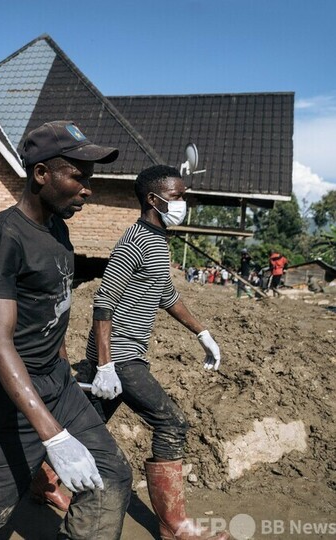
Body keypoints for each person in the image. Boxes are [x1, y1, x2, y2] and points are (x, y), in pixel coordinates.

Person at [0, 121, 132, 539]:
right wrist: (54, 437)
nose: (88, 189)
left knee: (110, 475)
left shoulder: (59, 229)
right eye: (78, 176)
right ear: (42, 173)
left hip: (55, 380)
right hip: (4, 389)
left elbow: (51, 311)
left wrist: (70, 377)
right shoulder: (5, 234)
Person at [86, 165, 228, 540]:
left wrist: (203, 333)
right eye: (178, 196)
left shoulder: (157, 239)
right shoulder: (135, 241)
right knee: (172, 423)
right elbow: (104, 301)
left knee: (86, 423)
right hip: (120, 356)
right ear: (154, 199)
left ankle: (44, 482)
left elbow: (166, 294)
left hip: (125, 354)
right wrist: (104, 365)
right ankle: (173, 525)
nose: (183, 203)